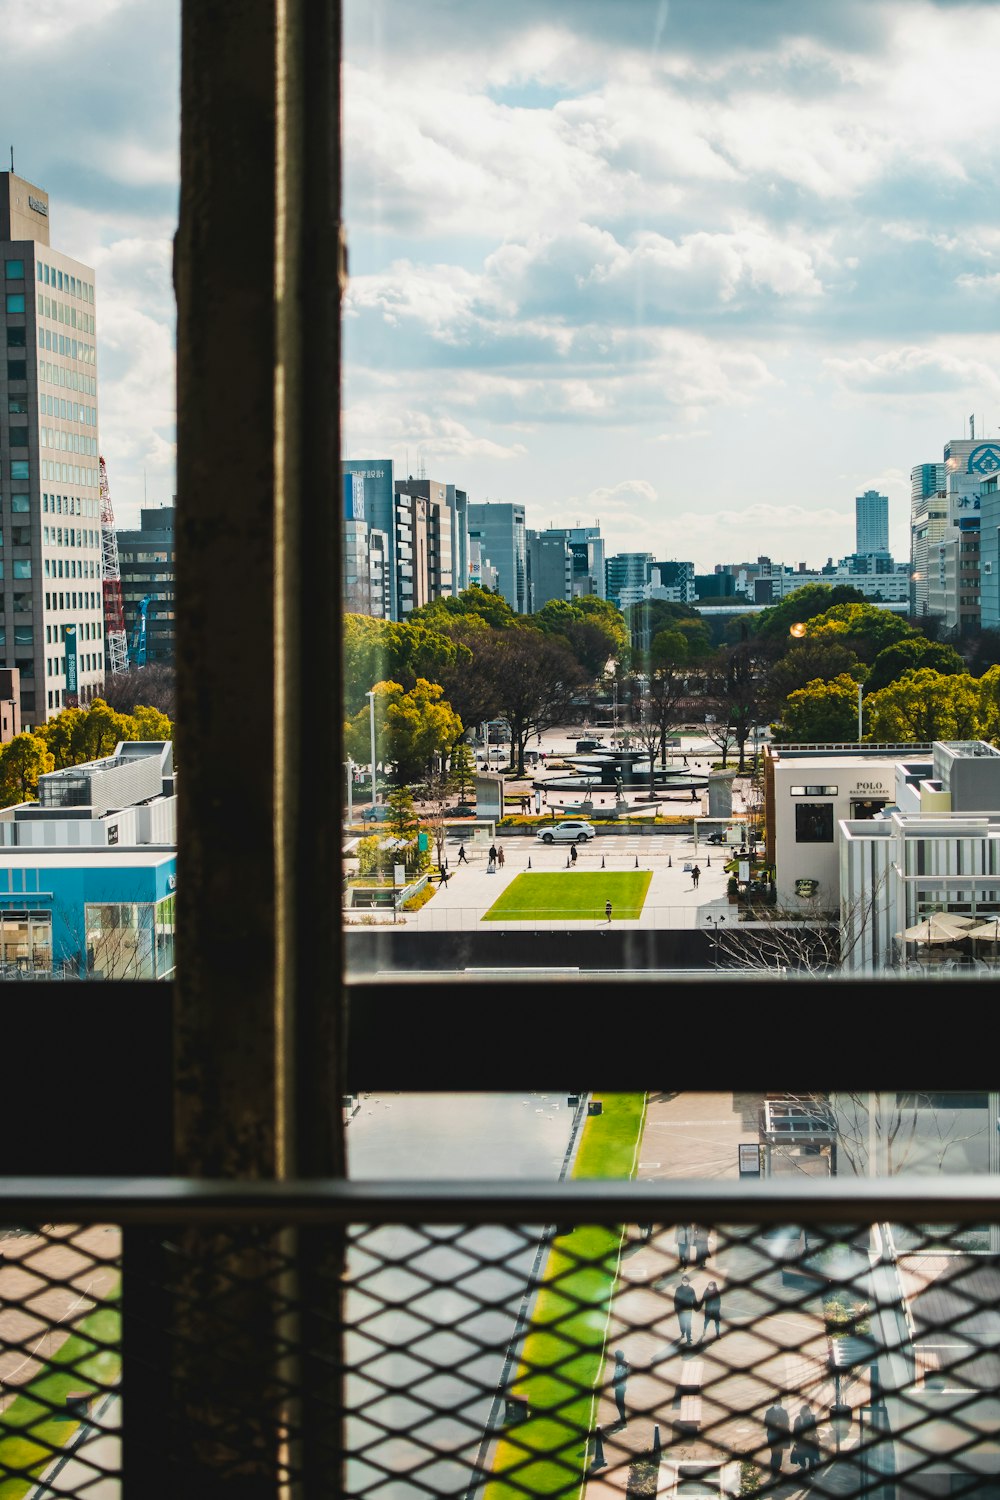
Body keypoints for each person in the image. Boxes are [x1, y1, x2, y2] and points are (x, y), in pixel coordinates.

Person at [764, 1396, 791, 1475]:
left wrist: (781, 1425)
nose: (778, 1404)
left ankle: (777, 1468)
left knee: (779, 1453)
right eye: (777, 1403)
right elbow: (765, 1423)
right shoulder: (769, 1412)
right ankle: (773, 1469)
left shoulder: (784, 1411)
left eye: (779, 1403)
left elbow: (787, 1423)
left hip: (781, 1435)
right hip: (772, 1435)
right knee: (774, 1452)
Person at [793, 1402, 820, 1473]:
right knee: (802, 1457)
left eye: (810, 1411)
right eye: (808, 1411)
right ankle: (803, 1467)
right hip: (802, 1442)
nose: (809, 1413)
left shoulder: (812, 1418)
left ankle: (812, 1470)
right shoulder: (798, 1419)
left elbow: (815, 1429)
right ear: (803, 1412)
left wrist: (811, 1435)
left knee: (811, 1456)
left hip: (811, 1441)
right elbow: (795, 1432)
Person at [674, 1275, 697, 1345]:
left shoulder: (691, 1289)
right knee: (682, 1323)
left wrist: (696, 1307)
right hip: (680, 1311)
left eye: (686, 1281)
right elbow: (675, 1300)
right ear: (681, 1281)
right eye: (683, 1280)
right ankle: (683, 1332)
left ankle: (688, 1337)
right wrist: (676, 1309)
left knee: (688, 1324)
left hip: (688, 1310)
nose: (685, 1282)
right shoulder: (678, 1289)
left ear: (688, 1281)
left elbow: (694, 1299)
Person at [611, 1348, 629, 1426]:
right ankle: (622, 1418)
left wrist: (612, 1383)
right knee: (620, 1403)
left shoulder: (619, 1366)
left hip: (619, 1387)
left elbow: (616, 1377)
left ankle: (623, 1419)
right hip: (623, 1386)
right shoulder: (625, 1363)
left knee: (619, 1403)